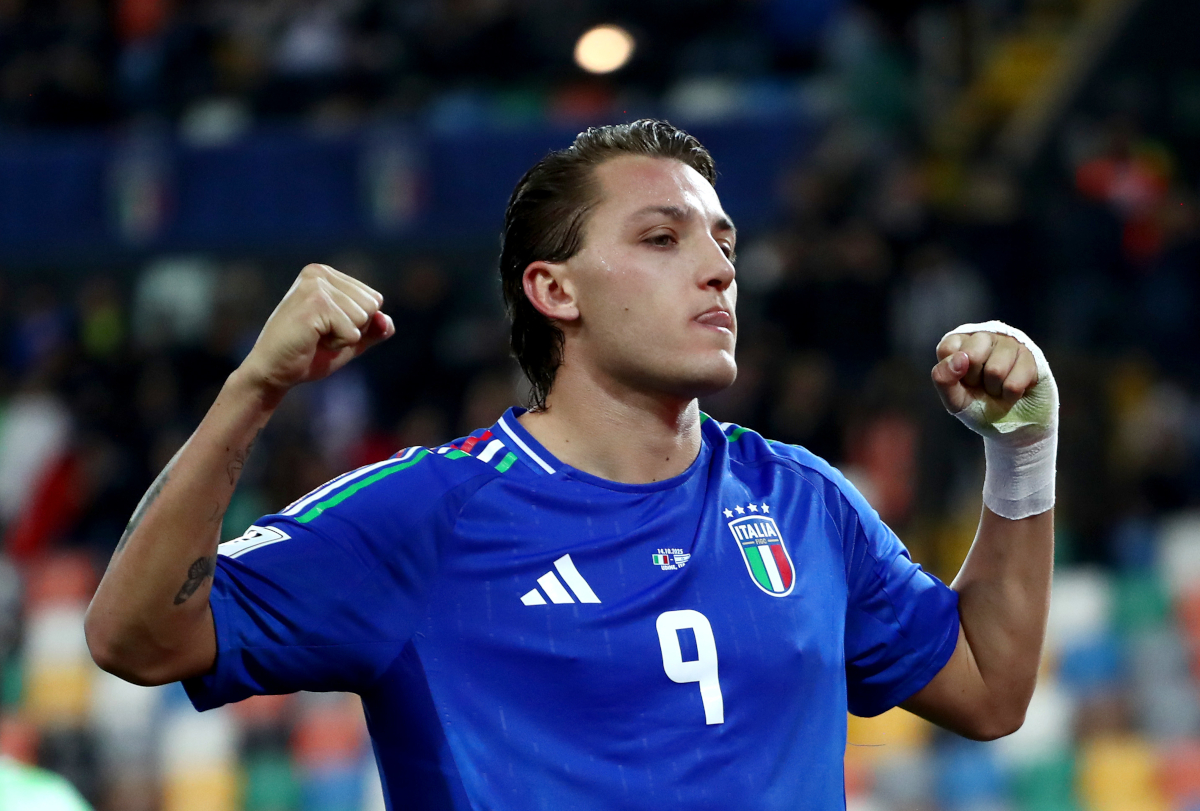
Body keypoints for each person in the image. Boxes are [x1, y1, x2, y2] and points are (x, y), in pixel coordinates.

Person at [85, 120, 1058, 810]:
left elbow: (986, 688)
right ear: (554, 289)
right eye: (662, 238)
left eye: (722, 240)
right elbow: (136, 637)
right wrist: (253, 389)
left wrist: (1021, 452)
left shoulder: (801, 499)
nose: (719, 268)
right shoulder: (429, 513)